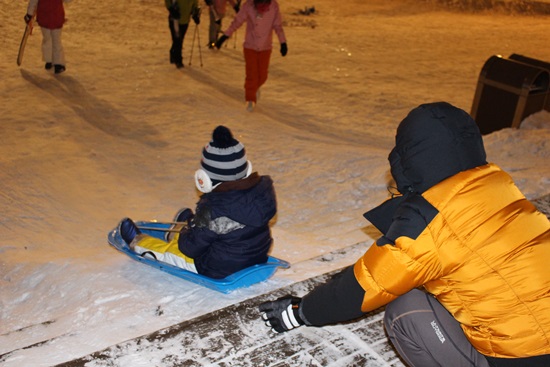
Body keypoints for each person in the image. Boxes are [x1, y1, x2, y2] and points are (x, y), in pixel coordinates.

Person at [259, 102, 550, 367]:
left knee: (405, 309)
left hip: (520, 359)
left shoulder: (429, 218)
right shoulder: (497, 185)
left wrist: (302, 312)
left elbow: (365, 287)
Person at [118, 125, 277, 279]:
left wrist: (191, 231)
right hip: (256, 256)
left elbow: (189, 249)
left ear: (206, 178)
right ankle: (191, 227)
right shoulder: (263, 192)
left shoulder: (213, 208)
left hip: (216, 267)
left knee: (171, 252)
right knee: (207, 231)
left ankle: (138, 241)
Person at [215, 0, 287, 112]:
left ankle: (254, 88)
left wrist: (283, 42)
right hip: (250, 46)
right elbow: (237, 21)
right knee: (251, 74)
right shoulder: (248, 5)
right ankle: (250, 99)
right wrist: (225, 36)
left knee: (263, 75)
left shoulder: (273, 6)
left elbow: (277, 25)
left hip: (265, 47)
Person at [24, 0, 70, 74]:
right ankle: (57, 63)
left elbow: (33, 2)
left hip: (44, 17)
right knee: (56, 41)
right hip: (56, 17)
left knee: (47, 39)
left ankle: (49, 60)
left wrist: (29, 14)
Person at [166, 0, 201, 69]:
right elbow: (168, 1)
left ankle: (173, 53)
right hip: (174, 20)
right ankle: (178, 60)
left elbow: (195, 6)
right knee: (177, 40)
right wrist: (171, 9)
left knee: (180, 39)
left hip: (185, 21)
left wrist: (195, 16)